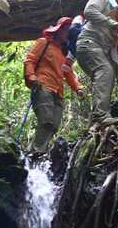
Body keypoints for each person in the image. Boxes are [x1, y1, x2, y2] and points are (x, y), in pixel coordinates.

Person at [24, 17, 86, 155]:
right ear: (58, 30)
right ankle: (37, 153)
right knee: (46, 122)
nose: (68, 33)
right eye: (66, 30)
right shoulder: (43, 43)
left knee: (54, 126)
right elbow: (29, 60)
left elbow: (68, 73)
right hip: (43, 86)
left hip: (58, 92)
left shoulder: (65, 53)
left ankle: (29, 152)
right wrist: (32, 77)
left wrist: (78, 88)